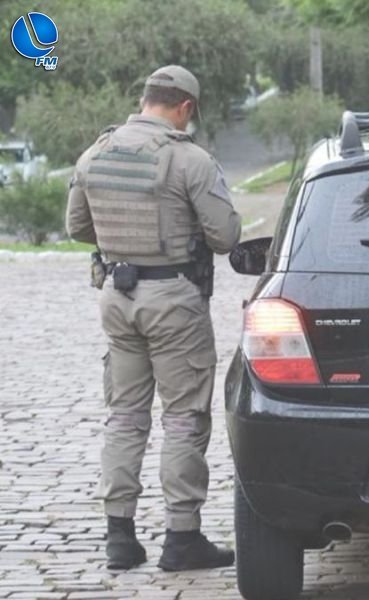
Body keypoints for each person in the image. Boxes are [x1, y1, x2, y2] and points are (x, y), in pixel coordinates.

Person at [66, 65, 242, 571]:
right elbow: (226, 236)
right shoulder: (189, 159)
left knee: (124, 416)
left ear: (145, 99)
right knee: (184, 417)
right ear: (185, 107)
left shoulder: (95, 153)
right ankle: (181, 538)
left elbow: (77, 226)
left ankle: (119, 538)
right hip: (174, 300)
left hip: (116, 297)